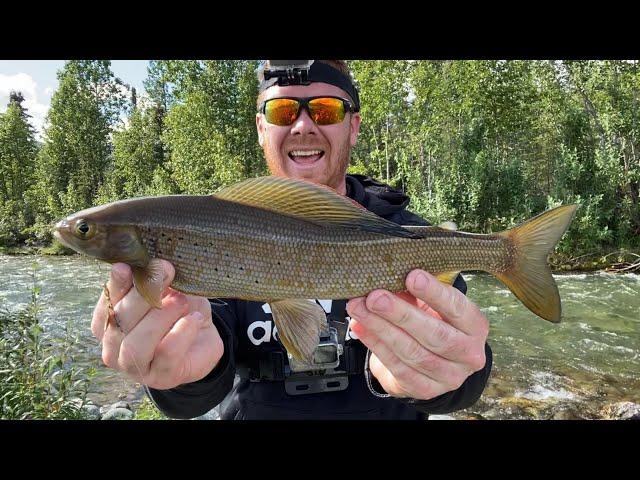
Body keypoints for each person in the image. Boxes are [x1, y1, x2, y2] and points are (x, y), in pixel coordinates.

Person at [91, 60, 492, 420]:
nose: (303, 124)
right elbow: (197, 381)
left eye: (325, 109)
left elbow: (467, 359)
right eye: (283, 111)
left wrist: (448, 378)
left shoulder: (405, 233)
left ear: (352, 126)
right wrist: (179, 377)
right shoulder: (212, 230)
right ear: (261, 128)